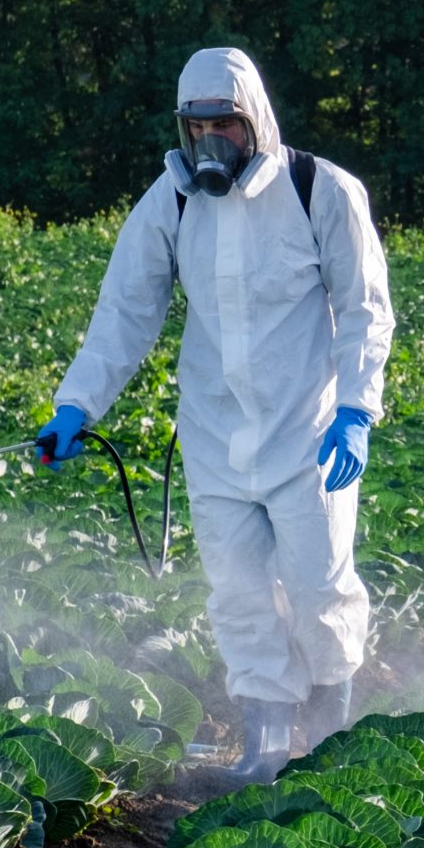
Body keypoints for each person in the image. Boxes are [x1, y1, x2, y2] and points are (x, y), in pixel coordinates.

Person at [39, 48, 394, 778]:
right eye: (197, 129)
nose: (211, 144)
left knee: (320, 586)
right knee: (237, 594)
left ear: (253, 119)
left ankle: (329, 739)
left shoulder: (317, 190)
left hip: (309, 435)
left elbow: (364, 310)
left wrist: (356, 409)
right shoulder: (171, 202)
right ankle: (265, 745)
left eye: (224, 126)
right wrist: (75, 404)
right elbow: (125, 312)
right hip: (214, 436)